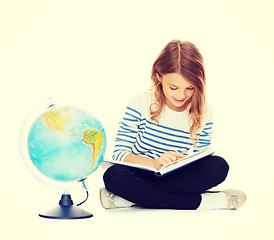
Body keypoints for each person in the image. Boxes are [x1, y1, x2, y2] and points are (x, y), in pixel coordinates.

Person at [100, 40, 246, 210]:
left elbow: (202, 159)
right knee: (113, 175)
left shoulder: (204, 112)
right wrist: (155, 163)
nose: (181, 95)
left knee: (218, 166)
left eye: (190, 88)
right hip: (141, 172)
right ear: (158, 76)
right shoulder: (140, 101)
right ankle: (202, 202)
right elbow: (119, 154)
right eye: (173, 87)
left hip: (176, 176)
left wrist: (182, 162)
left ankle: (129, 199)